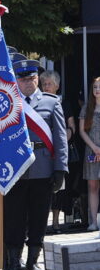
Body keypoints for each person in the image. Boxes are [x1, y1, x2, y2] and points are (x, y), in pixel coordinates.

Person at [2, 58, 68, 270]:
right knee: (14, 218)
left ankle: (32, 263)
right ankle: (14, 263)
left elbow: (60, 138)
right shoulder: (9, 102)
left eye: (31, 78)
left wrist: (61, 169)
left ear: (38, 78)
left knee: (39, 217)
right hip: (15, 168)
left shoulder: (51, 102)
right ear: (16, 81)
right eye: (23, 79)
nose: (28, 83)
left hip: (42, 168)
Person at [41, 70, 78, 232]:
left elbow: (72, 127)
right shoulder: (37, 102)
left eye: (49, 84)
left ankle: (56, 222)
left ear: (57, 86)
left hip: (58, 151)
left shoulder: (64, 104)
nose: (46, 87)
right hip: (42, 152)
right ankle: (41, 222)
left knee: (59, 188)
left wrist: (62, 139)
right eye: (44, 84)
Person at [78, 76, 100, 232]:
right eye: (94, 88)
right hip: (91, 151)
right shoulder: (87, 107)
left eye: (99, 87)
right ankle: (93, 221)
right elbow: (81, 131)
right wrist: (94, 147)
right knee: (92, 186)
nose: (97, 90)